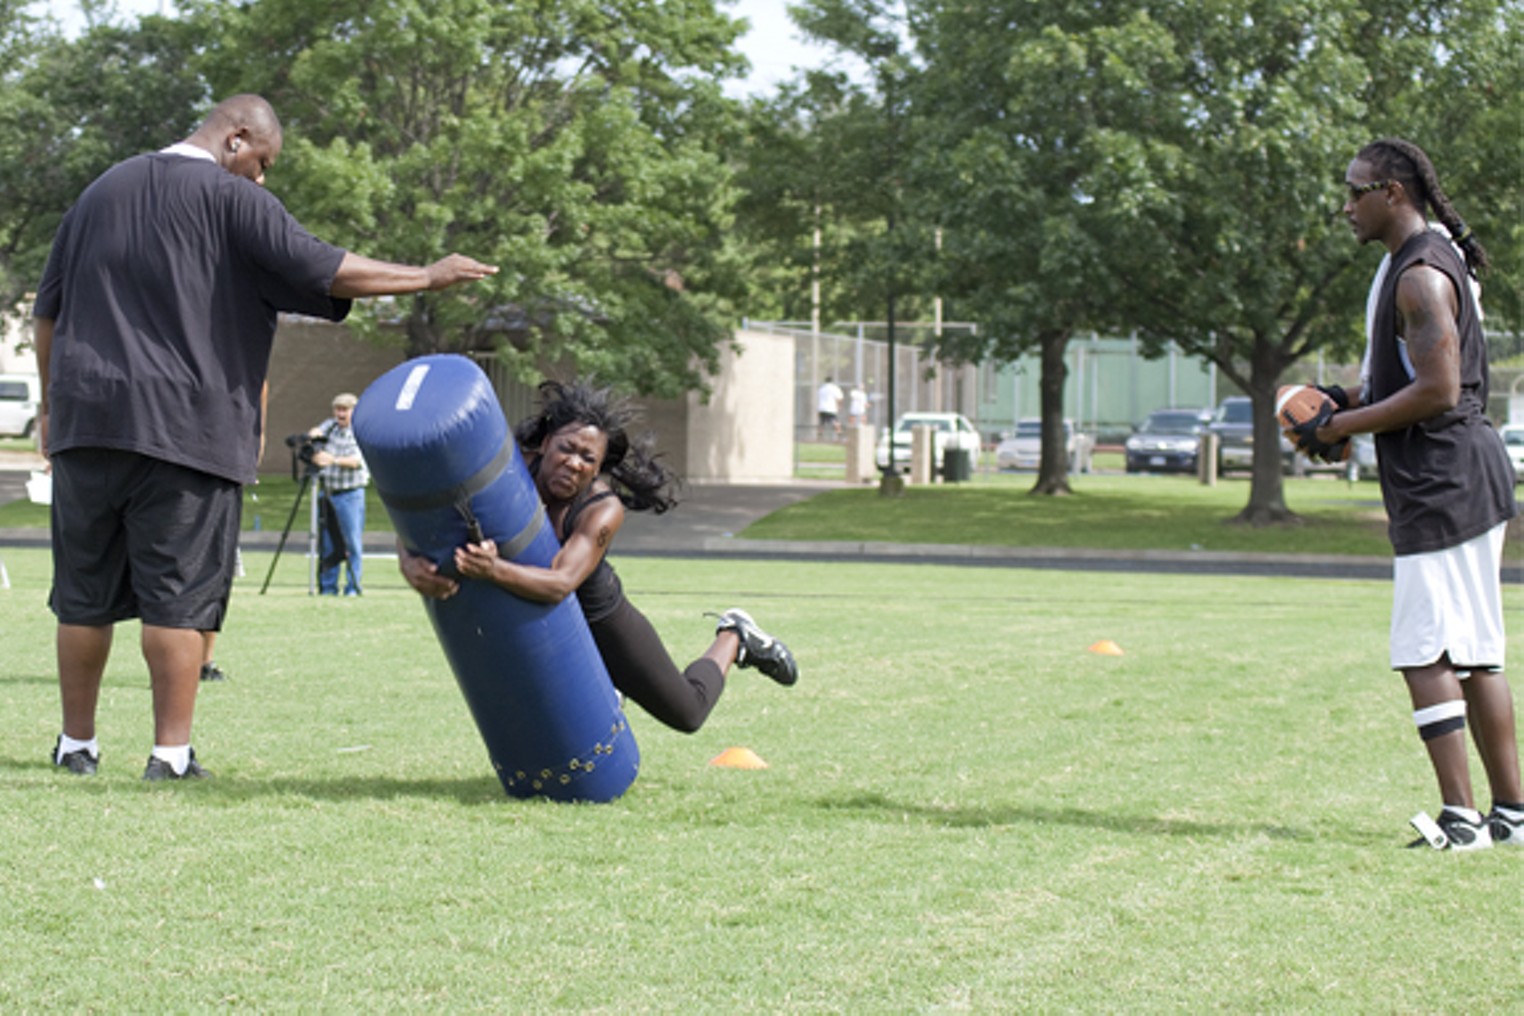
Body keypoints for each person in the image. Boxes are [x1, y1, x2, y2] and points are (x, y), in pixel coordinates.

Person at [35, 94, 497, 781]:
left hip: (88, 423)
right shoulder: (232, 200)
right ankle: (169, 755)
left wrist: (53, 405)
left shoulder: (100, 192)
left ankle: (77, 745)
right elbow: (328, 267)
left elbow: (48, 314)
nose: (261, 180)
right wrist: (426, 276)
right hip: (186, 429)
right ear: (236, 138)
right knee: (178, 599)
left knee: (83, 596)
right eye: (262, 163)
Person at [1296, 137, 1522, 850]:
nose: (1346, 205)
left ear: (1393, 191)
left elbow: (1438, 389)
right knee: (1477, 653)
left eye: (1355, 190)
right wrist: (1341, 401)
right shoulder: (1404, 265)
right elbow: (1398, 377)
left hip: (1444, 478)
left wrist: (1339, 428)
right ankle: (1511, 817)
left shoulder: (1420, 275)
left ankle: (1460, 821)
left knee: (1425, 652)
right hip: (1460, 474)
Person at [398, 380, 797, 734]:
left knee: (687, 712)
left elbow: (560, 583)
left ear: (598, 468)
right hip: (528, 609)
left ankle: (735, 636)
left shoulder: (602, 509)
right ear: (546, 441)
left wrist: (493, 569)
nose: (574, 462)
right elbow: (429, 505)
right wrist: (408, 558)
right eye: (567, 449)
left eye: (588, 459)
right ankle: (605, 686)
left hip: (596, 613)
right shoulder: (508, 467)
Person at [308, 392, 369, 596]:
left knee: (351, 543)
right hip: (328, 492)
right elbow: (315, 431)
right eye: (338, 409)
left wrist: (330, 459)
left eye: (345, 410)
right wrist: (314, 438)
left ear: (354, 411)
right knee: (328, 543)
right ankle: (327, 587)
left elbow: (356, 461)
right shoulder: (331, 426)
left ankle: (352, 587)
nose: (340, 414)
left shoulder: (360, 431)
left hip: (350, 494)